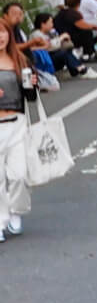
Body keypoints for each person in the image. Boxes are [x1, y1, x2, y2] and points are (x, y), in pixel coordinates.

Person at [0, 19, 39, 242]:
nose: (0, 37)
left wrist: (32, 84)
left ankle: (16, 211)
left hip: (17, 123)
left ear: (9, 35)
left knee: (18, 175)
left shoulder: (19, 61)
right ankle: (0, 220)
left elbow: (31, 98)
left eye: (3, 32)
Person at [6, 6, 97, 81]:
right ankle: (81, 70)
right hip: (42, 59)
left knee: (65, 52)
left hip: (46, 56)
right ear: (43, 24)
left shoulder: (49, 33)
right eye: (50, 23)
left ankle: (78, 69)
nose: (52, 25)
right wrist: (60, 38)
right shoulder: (36, 34)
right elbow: (50, 46)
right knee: (63, 53)